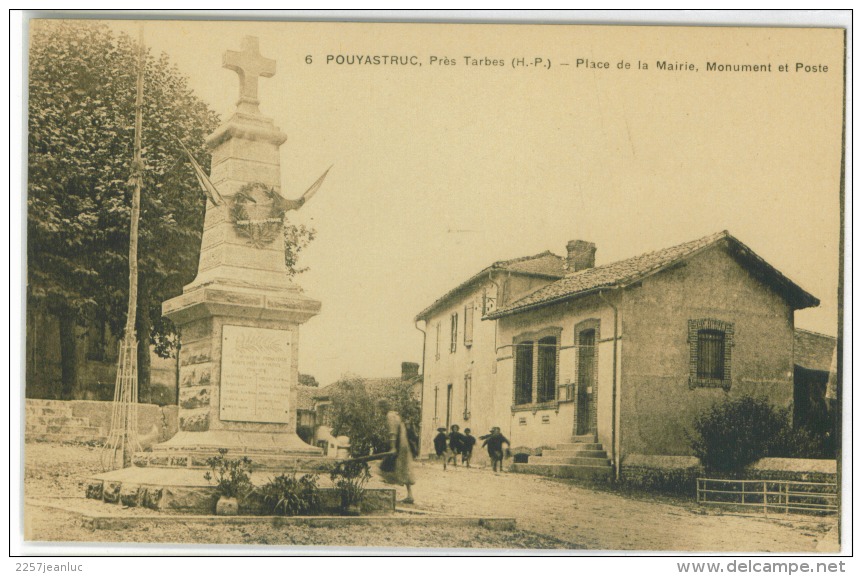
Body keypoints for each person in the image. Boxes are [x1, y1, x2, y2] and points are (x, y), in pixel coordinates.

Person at [377, 399, 415, 504]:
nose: (380, 411)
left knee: (384, 469)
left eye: (380, 408)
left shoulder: (390, 416)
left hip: (398, 445)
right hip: (403, 444)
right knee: (404, 469)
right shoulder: (395, 415)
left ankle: (386, 495)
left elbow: (392, 433)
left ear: (383, 408)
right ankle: (410, 495)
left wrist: (393, 447)